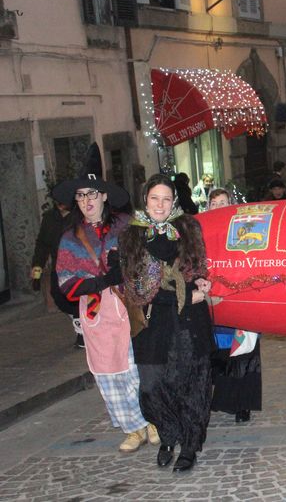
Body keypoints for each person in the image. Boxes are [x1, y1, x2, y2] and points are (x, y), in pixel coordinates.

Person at [53, 146, 157, 453]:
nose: (87, 201)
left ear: (104, 197)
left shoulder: (128, 226)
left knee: (135, 368)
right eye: (81, 196)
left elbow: (150, 262)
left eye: (92, 194)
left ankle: (151, 419)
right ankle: (132, 427)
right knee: (107, 371)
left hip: (128, 306)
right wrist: (101, 281)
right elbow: (66, 283)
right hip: (96, 312)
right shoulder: (70, 237)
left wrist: (128, 273)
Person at [120, 173, 215, 472]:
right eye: (153, 198)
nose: (159, 205)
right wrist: (187, 295)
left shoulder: (187, 227)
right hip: (153, 324)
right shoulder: (132, 235)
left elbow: (197, 267)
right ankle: (168, 435)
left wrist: (200, 281)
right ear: (145, 200)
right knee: (153, 386)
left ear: (173, 200)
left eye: (165, 198)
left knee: (190, 384)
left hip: (187, 324)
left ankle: (187, 445)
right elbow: (137, 288)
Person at [207, 188, 262, 423]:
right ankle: (222, 400)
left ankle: (242, 404)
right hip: (211, 303)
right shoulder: (201, 232)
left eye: (223, 203)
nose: (219, 208)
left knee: (244, 356)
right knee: (218, 354)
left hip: (239, 301)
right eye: (214, 203)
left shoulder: (245, 230)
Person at [31, 199, 83, 347]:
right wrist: (37, 268)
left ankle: (82, 332)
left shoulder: (78, 215)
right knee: (58, 296)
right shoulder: (49, 218)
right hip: (58, 266)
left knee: (77, 298)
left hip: (77, 265)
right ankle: (79, 320)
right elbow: (42, 244)